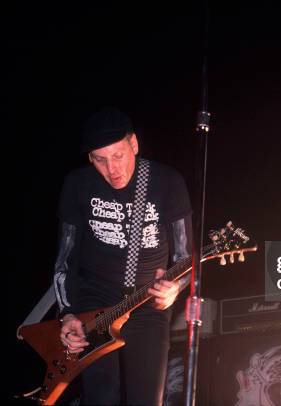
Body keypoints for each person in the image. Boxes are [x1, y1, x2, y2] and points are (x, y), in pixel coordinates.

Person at [54, 107, 193, 405]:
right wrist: (67, 314)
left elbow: (184, 258)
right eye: (100, 160)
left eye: (118, 156)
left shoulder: (167, 182)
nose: (112, 170)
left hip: (146, 304)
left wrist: (175, 289)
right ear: (90, 158)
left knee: (147, 398)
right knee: (101, 397)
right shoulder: (77, 185)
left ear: (134, 145)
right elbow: (64, 260)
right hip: (95, 305)